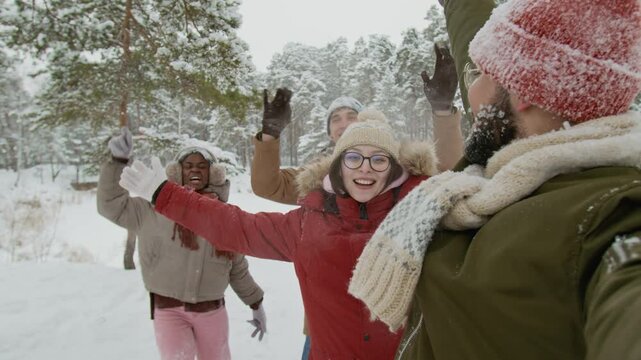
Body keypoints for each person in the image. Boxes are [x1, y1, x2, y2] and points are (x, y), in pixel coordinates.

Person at [348, 0, 641, 359]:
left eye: (478, 75)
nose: (470, 93)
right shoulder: (504, 167)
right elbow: (500, 69)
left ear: (525, 93)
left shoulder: (611, 217)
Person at [118, 111, 440, 359]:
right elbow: (235, 226)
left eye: (379, 159)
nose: (365, 168)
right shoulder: (306, 226)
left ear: (394, 170)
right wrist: (163, 194)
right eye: (353, 158)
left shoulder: (420, 218)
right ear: (338, 167)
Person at [97, 130, 267, 360]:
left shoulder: (224, 216)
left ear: (213, 173)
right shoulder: (152, 208)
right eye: (188, 165)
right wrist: (117, 162)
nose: (195, 169)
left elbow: (236, 266)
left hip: (211, 311)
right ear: (178, 172)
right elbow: (110, 205)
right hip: (168, 310)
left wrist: (255, 302)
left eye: (202, 165)